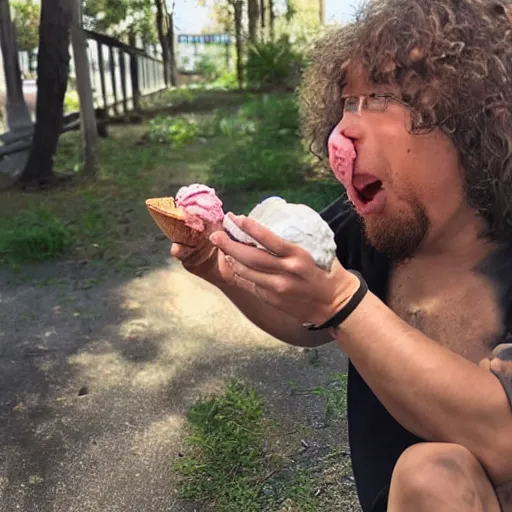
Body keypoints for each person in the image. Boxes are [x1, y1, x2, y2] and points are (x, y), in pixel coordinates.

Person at [171, 0, 512, 510]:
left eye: (383, 98)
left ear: (477, 118)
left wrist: (343, 303)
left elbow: (502, 441)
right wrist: (217, 266)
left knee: (434, 475)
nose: (344, 131)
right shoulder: (368, 226)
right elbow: (306, 319)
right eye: (348, 102)